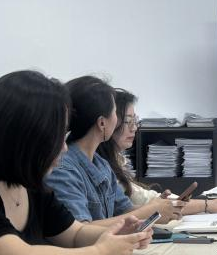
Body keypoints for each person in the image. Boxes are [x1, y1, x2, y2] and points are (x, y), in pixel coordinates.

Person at [0, 71, 152, 255]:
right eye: (56, 136)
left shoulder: (29, 184)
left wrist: (116, 234)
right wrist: (100, 253)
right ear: (25, 138)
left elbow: (74, 233)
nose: (64, 147)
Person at [45, 76, 180, 225]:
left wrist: (156, 208)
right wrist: (150, 211)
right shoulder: (63, 168)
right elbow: (80, 230)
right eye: (115, 112)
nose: (133, 127)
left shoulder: (101, 164)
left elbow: (124, 210)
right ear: (102, 123)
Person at [97, 88, 217, 214]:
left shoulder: (116, 161)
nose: (134, 128)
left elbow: (145, 199)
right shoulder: (101, 167)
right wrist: (207, 205)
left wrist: (162, 203)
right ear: (104, 122)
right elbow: (140, 203)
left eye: (135, 121)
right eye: (127, 121)